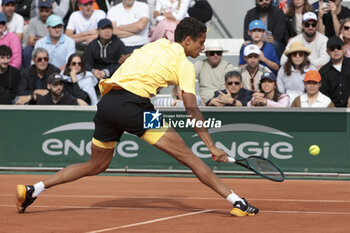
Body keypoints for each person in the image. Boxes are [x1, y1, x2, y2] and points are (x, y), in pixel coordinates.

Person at [16, 17, 259, 217]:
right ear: (187, 40)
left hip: (107, 105)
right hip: (135, 109)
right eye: (201, 42)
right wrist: (211, 145)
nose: (203, 48)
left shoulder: (154, 45)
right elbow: (192, 109)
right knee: (190, 157)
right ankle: (237, 201)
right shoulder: (183, 64)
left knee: (95, 164)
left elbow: (125, 58)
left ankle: (33, 189)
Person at [319, 36, 350, 107]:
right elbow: (323, 94)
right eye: (332, 49)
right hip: (332, 111)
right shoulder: (323, 71)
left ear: (343, 48)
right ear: (327, 52)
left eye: (338, 47)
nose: (336, 50)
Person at [23, 0, 53, 68]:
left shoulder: (55, 21)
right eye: (41, 11)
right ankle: (29, 71)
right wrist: (45, 39)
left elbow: (55, 40)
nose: (44, 14)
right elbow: (30, 42)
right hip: (36, 48)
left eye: (46, 11)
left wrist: (39, 39)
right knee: (27, 50)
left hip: (52, 47)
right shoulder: (34, 21)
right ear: (38, 9)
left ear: (51, 9)